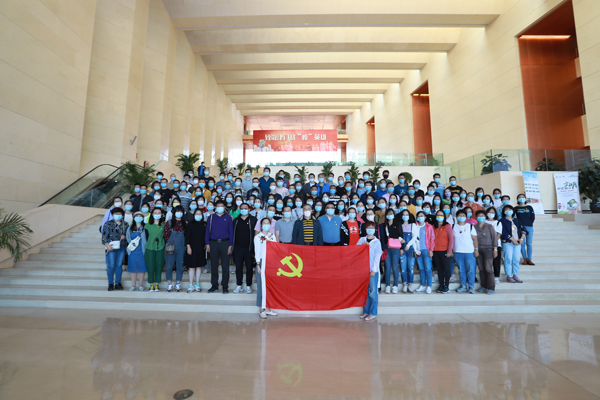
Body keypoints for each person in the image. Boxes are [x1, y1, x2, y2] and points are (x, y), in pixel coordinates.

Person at [205, 200, 234, 293]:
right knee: (214, 266)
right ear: (215, 207)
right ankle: (214, 285)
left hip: (225, 243)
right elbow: (207, 231)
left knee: (225, 266)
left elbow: (231, 232)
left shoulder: (228, 217)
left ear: (224, 207)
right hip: (213, 243)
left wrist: (230, 245)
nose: (220, 207)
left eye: (222, 206)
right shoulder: (211, 217)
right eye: (218, 206)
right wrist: (207, 243)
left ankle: (225, 286)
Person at [357, 221, 382, 322]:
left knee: (373, 292)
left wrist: (374, 270)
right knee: (365, 292)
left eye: (372, 227)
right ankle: (365, 311)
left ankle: (372, 313)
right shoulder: (361, 239)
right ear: (365, 229)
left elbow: (377, 257)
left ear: (375, 229)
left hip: (372, 270)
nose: (370, 229)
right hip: (362, 270)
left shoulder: (377, 242)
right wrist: (362, 246)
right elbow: (355, 251)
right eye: (368, 227)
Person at [254, 217, 278, 319]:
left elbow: (276, 249)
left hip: (271, 263)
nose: (266, 225)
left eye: (268, 223)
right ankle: (261, 309)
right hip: (261, 262)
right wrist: (258, 264)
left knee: (269, 286)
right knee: (261, 286)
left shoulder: (272, 236)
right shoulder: (258, 237)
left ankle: (268, 308)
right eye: (264, 223)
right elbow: (257, 251)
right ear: (261, 225)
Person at [407, 211, 435, 293]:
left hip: (426, 250)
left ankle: (429, 285)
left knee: (428, 268)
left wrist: (431, 250)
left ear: (425, 217)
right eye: (418, 216)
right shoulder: (414, 226)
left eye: (422, 216)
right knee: (421, 268)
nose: (420, 217)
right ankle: (423, 285)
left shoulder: (429, 226)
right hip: (417, 250)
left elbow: (432, 239)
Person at [232, 203, 257, 294]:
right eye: (242, 208)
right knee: (238, 267)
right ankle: (239, 285)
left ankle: (248, 285)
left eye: (245, 208)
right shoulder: (236, 220)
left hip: (249, 248)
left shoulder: (253, 219)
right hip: (237, 248)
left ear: (249, 209)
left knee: (249, 267)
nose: (243, 209)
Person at [102, 207, 128, 291]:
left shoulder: (125, 224)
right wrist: (107, 246)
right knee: (111, 266)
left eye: (119, 214)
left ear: (122, 215)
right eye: (116, 214)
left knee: (119, 265)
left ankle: (118, 283)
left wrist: (125, 237)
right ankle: (110, 283)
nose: (117, 215)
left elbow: (129, 235)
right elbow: (104, 237)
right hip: (111, 247)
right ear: (112, 215)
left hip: (122, 247)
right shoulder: (108, 224)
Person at [453, 209, 479, 294]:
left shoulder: (470, 226)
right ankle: (463, 286)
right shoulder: (453, 226)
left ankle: (471, 286)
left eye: (463, 215)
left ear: (466, 217)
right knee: (461, 270)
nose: (461, 217)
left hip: (469, 252)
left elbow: (475, 239)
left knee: (471, 269)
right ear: (456, 217)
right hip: (457, 252)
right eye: (459, 215)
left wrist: (476, 249)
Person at [499, 205, 526, 283]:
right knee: (508, 259)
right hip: (508, 243)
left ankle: (515, 275)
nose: (509, 211)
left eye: (510, 209)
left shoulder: (516, 220)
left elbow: (523, 230)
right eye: (506, 209)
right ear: (504, 211)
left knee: (516, 259)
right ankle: (509, 276)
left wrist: (521, 238)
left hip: (517, 244)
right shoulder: (502, 221)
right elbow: (503, 232)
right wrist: (512, 239)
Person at [474, 210, 498, 294]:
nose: (480, 217)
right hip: (478, 249)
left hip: (488, 249)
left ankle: (491, 287)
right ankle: (483, 286)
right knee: (481, 269)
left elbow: (494, 238)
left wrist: (495, 249)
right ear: (476, 217)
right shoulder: (474, 227)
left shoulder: (489, 226)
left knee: (488, 269)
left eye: (482, 215)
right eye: (479, 216)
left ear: (485, 217)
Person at [163, 206, 187, 292]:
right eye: (177, 211)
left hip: (181, 248)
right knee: (169, 266)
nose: (179, 213)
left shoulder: (185, 223)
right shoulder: (169, 222)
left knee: (180, 266)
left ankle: (178, 284)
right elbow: (165, 235)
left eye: (181, 211)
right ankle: (169, 284)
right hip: (170, 247)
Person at [432, 210, 454, 294]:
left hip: (445, 250)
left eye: (441, 215)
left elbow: (451, 239)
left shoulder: (447, 226)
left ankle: (446, 286)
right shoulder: (433, 226)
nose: (439, 217)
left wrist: (449, 251)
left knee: (446, 269)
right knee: (439, 269)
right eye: (438, 215)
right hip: (436, 251)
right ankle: (441, 285)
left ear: (444, 216)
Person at [185, 209, 206, 293]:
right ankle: (190, 284)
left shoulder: (204, 224)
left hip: (201, 248)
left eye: (200, 214)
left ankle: (197, 284)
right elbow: (187, 237)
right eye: (197, 214)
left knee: (199, 266)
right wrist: (188, 247)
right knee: (191, 267)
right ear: (194, 215)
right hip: (192, 247)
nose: (198, 215)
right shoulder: (190, 224)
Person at [382, 208, 403, 293]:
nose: (390, 215)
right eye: (388, 213)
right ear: (386, 215)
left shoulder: (398, 224)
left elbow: (401, 236)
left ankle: (395, 285)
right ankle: (387, 285)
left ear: (394, 214)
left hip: (396, 248)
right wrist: (382, 249)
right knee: (387, 267)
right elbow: (382, 238)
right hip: (386, 248)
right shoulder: (384, 225)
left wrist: (401, 248)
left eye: (391, 213)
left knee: (394, 267)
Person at [145, 208, 165, 292]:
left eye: (159, 213)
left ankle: (157, 284)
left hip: (160, 246)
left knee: (159, 265)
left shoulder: (164, 224)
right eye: (155, 213)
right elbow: (146, 236)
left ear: (161, 214)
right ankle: (151, 284)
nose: (157, 214)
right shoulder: (148, 225)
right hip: (150, 247)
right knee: (150, 265)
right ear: (152, 214)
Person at [126, 212, 147, 291]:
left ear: (143, 218)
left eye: (140, 216)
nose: (138, 218)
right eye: (136, 216)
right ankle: (133, 285)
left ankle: (140, 285)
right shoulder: (130, 228)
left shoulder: (145, 228)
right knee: (133, 268)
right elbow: (128, 237)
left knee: (142, 267)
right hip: (132, 250)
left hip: (142, 250)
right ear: (134, 218)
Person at [515, 194, 535, 265]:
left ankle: (529, 259)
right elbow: (515, 218)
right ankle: (524, 259)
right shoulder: (515, 208)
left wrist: (529, 223)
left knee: (529, 243)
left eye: (523, 197)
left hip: (529, 226)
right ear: (517, 199)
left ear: (525, 199)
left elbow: (532, 217)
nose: (521, 198)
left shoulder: (529, 207)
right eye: (519, 197)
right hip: (520, 228)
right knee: (522, 243)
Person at [398, 209, 416, 293]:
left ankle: (410, 285)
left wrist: (408, 245)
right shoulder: (399, 225)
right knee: (403, 268)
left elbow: (414, 237)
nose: (405, 216)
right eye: (404, 214)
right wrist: (400, 239)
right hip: (402, 250)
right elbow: (397, 235)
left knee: (411, 268)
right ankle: (404, 284)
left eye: (407, 214)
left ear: (409, 216)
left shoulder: (413, 225)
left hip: (411, 249)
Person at [485, 207, 503, 284]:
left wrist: (493, 242)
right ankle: (488, 276)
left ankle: (496, 277)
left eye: (492, 212)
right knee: (487, 262)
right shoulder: (484, 221)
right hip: (485, 245)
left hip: (496, 245)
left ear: (495, 214)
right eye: (489, 212)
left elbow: (499, 233)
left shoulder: (498, 222)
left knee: (496, 261)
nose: (491, 214)